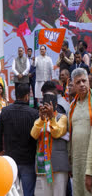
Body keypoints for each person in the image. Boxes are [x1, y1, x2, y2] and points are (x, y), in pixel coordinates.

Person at [0, 84, 39, 196]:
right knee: (28, 193)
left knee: (10, 192)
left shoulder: (5, 111)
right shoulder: (34, 113)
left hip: (10, 159)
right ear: (26, 96)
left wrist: (0, 150)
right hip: (28, 160)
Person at [31, 81, 70, 196]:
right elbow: (33, 134)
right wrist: (42, 119)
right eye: (45, 101)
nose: (48, 104)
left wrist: (52, 118)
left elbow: (57, 133)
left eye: (51, 101)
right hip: (43, 165)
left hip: (58, 165)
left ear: (56, 105)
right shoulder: (39, 119)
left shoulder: (62, 117)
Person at [68, 68, 92, 196]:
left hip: (90, 163)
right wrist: (70, 161)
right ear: (73, 85)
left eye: (84, 81)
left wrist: (90, 171)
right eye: (78, 82)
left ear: (89, 81)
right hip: (77, 164)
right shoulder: (72, 106)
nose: (82, 84)